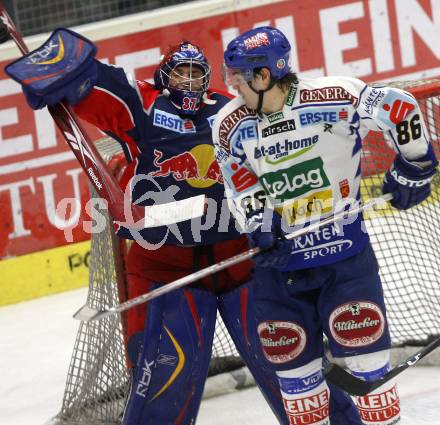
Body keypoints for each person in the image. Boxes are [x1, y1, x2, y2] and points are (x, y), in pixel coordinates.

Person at [6, 28, 363, 424]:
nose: (190, 81)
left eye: (197, 72)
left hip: (241, 258)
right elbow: (95, 84)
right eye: (182, 72)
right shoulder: (141, 101)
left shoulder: (233, 109)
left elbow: (279, 154)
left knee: (289, 360)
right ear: (165, 74)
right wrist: (68, 79)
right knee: (163, 378)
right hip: (166, 269)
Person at [213, 26, 438, 425]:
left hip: (344, 263)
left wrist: (415, 165)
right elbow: (240, 180)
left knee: (367, 366)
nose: (233, 89)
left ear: (264, 76)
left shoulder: (334, 96)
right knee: (297, 384)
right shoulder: (229, 125)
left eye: (239, 79)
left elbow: (400, 107)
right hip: (279, 273)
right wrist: (260, 219)